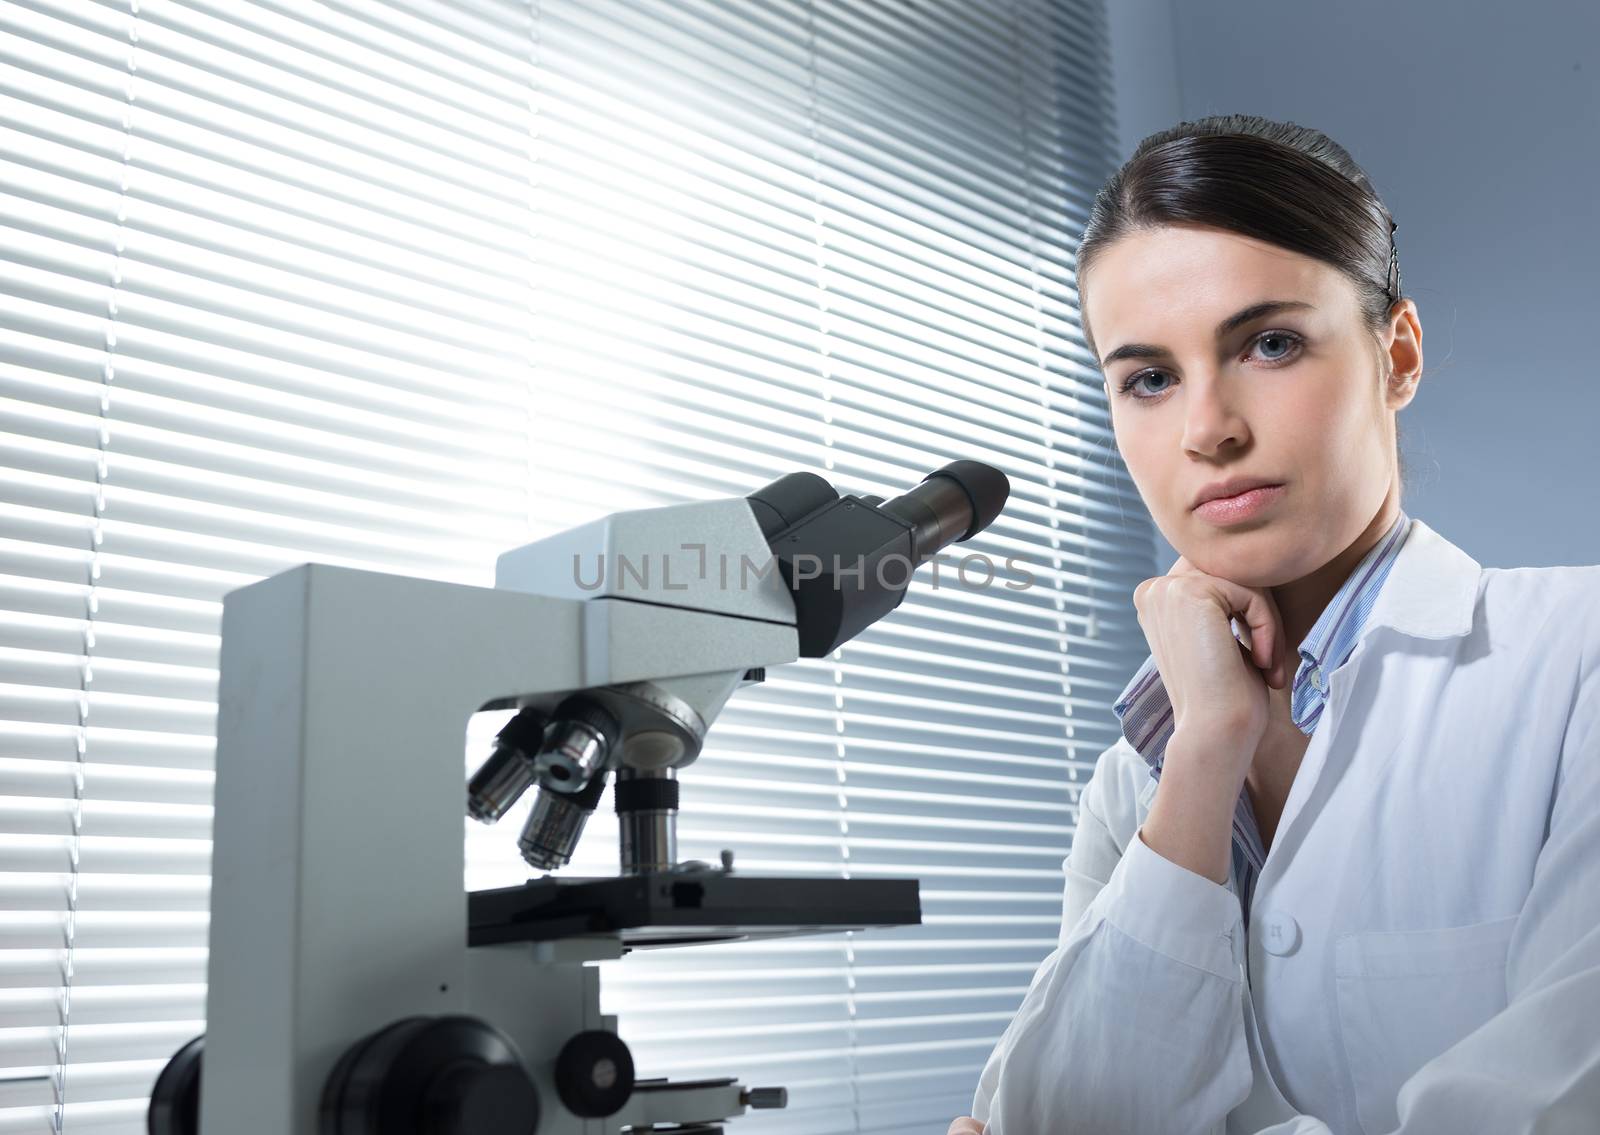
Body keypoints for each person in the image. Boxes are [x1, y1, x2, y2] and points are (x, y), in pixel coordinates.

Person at [946, 114, 1600, 1134]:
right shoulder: (1142, 775)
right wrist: (1206, 750)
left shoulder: (1577, 659)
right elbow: (1054, 1113)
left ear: (1398, 356)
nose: (1208, 429)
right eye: (1148, 378)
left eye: (1270, 343)